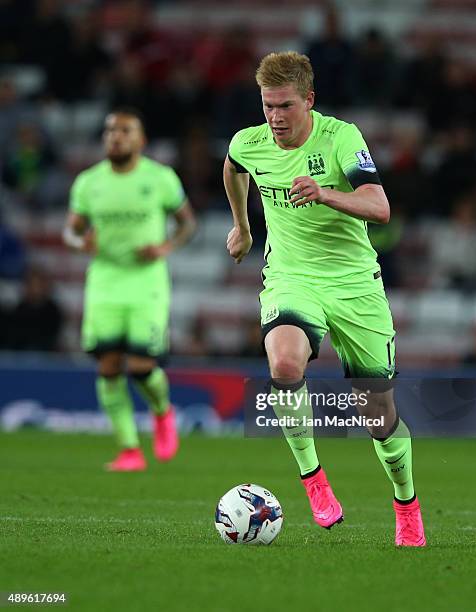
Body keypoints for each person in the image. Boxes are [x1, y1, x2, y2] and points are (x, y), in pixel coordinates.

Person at [223, 51, 426, 546]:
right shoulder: (249, 142)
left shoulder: (342, 138)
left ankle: (406, 506)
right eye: (267, 106)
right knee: (285, 365)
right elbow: (233, 169)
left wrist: (325, 193)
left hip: (355, 283)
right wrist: (243, 226)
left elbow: (380, 206)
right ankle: (313, 479)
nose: (274, 118)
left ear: (308, 101)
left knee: (378, 416)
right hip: (292, 277)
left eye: (285, 106)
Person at [63, 108, 196, 472]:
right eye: (109, 130)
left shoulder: (160, 178)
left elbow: (187, 223)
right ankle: (129, 450)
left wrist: (165, 247)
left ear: (141, 140)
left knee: (140, 366)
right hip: (105, 281)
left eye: (124, 130)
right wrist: (80, 242)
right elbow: (70, 230)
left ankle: (162, 412)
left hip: (146, 282)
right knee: (107, 366)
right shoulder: (89, 183)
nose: (115, 136)